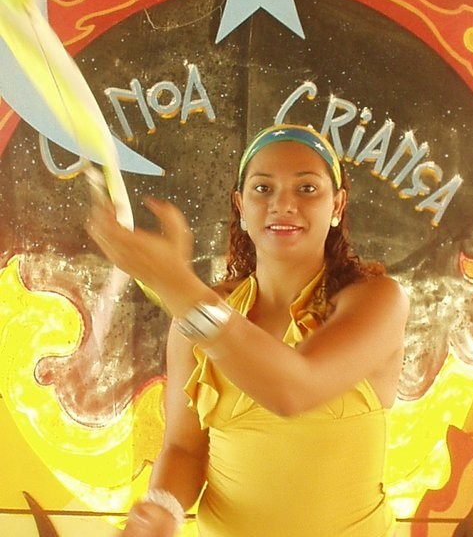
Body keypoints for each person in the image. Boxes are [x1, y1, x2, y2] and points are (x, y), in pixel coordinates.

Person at [88, 123, 409, 537]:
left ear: (337, 205)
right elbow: (184, 449)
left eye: (307, 188)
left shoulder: (378, 301)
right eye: (263, 188)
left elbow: (294, 390)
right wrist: (163, 509)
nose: (283, 204)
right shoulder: (196, 316)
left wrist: (178, 287)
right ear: (241, 206)